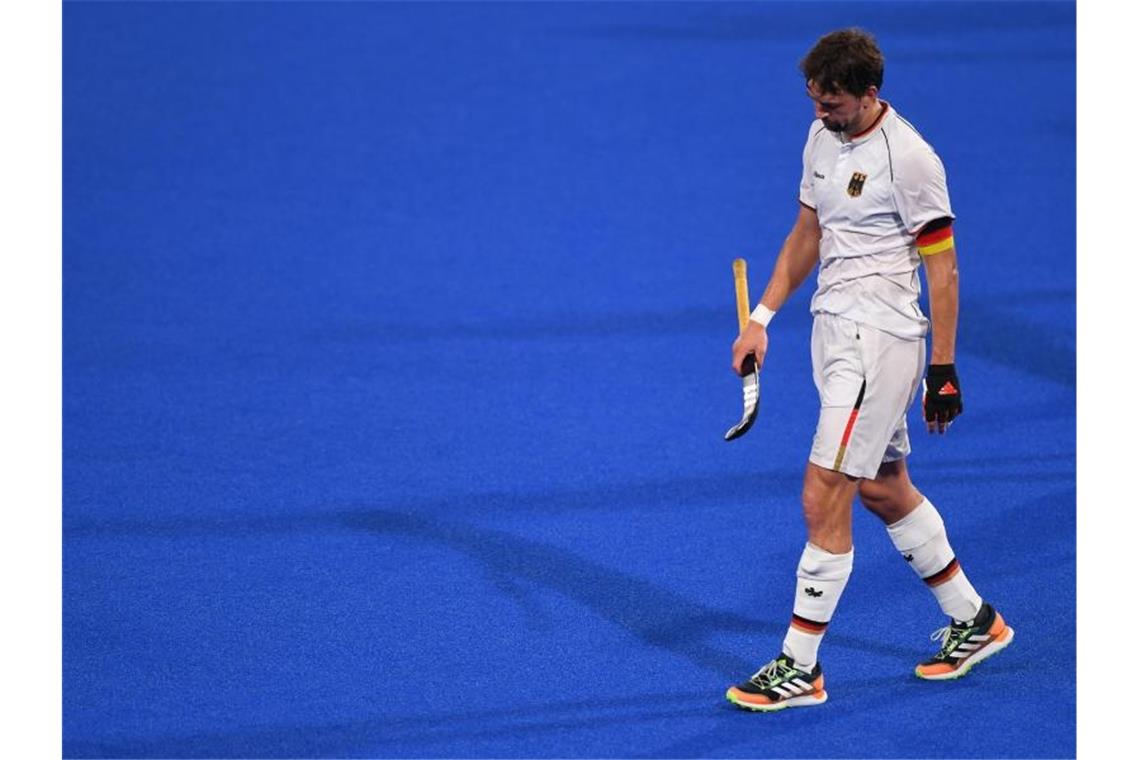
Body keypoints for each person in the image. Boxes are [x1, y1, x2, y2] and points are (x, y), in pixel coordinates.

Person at [725, 28, 1013, 712]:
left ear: (870, 94)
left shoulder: (911, 159)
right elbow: (808, 233)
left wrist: (943, 367)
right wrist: (761, 319)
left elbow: (942, 269)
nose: (821, 114)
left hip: (879, 339)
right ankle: (975, 621)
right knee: (884, 487)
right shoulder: (820, 134)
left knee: (824, 490)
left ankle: (801, 667)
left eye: (834, 105)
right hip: (833, 331)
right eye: (814, 101)